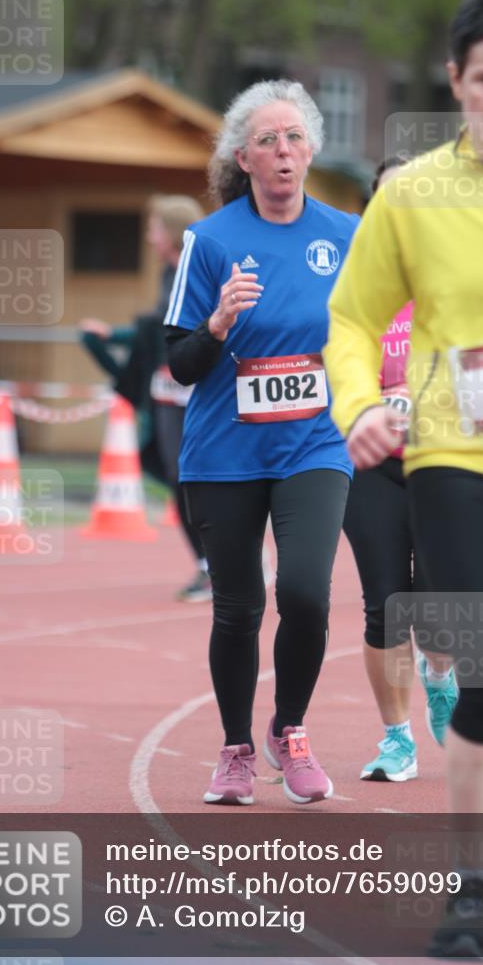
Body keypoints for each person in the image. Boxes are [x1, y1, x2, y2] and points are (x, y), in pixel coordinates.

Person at [325, 0, 483, 957]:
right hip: (455, 460)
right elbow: (351, 317)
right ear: (454, 80)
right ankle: (468, 884)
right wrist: (357, 407)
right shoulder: (411, 192)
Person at [164, 80, 358, 806]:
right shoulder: (210, 241)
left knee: (305, 593)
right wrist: (215, 325)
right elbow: (178, 364)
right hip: (224, 451)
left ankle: (291, 728)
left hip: (315, 444)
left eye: (295, 138)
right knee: (238, 608)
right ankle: (237, 748)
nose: (283, 151)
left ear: (312, 150)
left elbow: (377, 331)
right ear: (242, 157)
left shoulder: (345, 236)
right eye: (268, 141)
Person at [341, 156, 458, 785]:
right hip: (372, 467)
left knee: (439, 607)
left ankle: (442, 679)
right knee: (384, 604)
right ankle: (396, 741)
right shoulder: (356, 287)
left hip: (445, 468)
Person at [79, 194, 212, 602]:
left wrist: (117, 334)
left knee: (196, 481)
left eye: (154, 228)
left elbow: (187, 329)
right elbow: (155, 330)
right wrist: (112, 335)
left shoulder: (198, 273)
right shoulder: (164, 275)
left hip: (198, 393)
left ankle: (225, 558)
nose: (149, 237)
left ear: (171, 233)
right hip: (166, 394)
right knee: (174, 475)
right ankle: (210, 563)